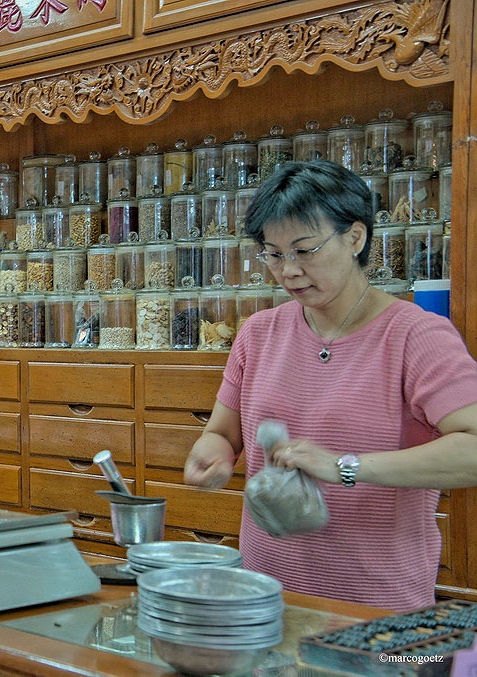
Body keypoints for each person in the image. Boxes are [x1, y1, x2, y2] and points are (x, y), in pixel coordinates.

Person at [183, 160, 477, 612]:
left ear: (355, 238)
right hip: (267, 594)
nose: (288, 271)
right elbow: (223, 434)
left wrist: (345, 466)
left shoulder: (416, 336)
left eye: (305, 250)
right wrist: (214, 455)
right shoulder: (259, 333)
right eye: (274, 254)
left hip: (374, 602)